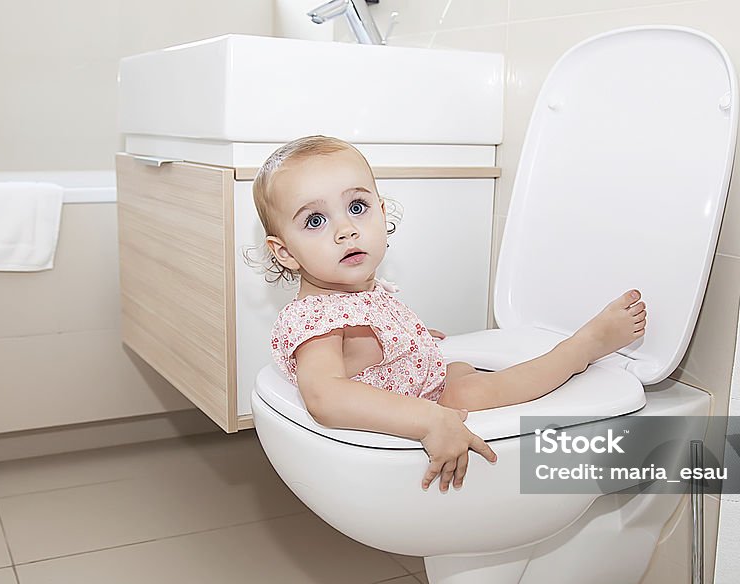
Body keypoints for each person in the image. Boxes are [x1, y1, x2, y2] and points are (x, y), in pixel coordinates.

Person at [254, 135, 646, 492]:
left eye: (357, 207)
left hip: (420, 380)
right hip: (421, 402)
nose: (346, 229)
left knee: (459, 369)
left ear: (381, 210)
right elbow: (325, 396)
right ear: (285, 252)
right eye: (315, 221)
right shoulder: (316, 321)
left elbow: (364, 340)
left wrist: (408, 338)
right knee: (479, 390)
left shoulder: (349, 292)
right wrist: (428, 420)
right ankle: (580, 349)